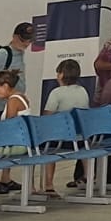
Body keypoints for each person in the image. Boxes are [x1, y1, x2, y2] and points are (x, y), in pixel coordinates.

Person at [38, 59, 89, 197]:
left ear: (60, 75)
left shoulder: (56, 93)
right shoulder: (83, 91)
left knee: (48, 147)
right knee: (84, 145)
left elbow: (47, 116)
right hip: (80, 139)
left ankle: (49, 184)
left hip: (60, 140)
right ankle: (87, 175)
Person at [0, 70, 30, 195]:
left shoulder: (13, 101)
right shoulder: (22, 97)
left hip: (15, 146)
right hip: (22, 143)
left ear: (5, 86)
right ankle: (4, 178)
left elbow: (7, 127)